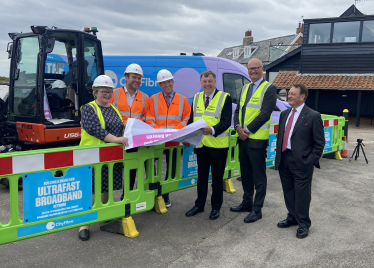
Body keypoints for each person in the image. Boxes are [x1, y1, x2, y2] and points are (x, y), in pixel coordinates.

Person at [78, 75, 129, 241]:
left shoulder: (113, 108)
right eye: (103, 91)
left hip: (110, 157)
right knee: (91, 191)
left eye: (109, 91)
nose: (107, 94)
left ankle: (104, 213)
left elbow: (120, 127)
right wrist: (115, 139)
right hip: (91, 157)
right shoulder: (88, 109)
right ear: (95, 92)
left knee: (106, 187)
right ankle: (84, 225)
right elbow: (94, 129)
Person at [274, 84, 325, 239]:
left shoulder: (312, 115)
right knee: (288, 191)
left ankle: (303, 223)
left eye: (293, 94)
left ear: (303, 96)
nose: (289, 96)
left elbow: (319, 143)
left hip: (302, 162)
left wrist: (310, 160)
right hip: (284, 159)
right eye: (289, 93)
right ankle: (292, 217)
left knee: (302, 194)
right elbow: (281, 137)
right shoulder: (284, 113)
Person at [230, 58, 277, 223]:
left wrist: (247, 130)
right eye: (250, 69)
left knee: (259, 177)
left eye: (256, 68)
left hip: (256, 140)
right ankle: (247, 203)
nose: (253, 71)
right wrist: (237, 128)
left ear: (262, 69)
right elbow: (237, 112)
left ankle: (257, 210)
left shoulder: (269, 89)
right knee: (246, 175)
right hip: (243, 139)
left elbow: (264, 114)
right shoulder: (244, 88)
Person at [184, 70, 232, 220]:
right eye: (204, 82)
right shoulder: (197, 97)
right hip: (201, 146)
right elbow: (192, 121)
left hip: (218, 146)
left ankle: (216, 207)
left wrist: (212, 130)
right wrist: (185, 135)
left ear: (215, 82)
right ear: (201, 83)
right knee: (201, 178)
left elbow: (226, 121)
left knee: (217, 180)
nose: (207, 84)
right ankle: (199, 205)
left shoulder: (225, 97)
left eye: (210, 81)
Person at [145, 69, 191, 207]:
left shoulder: (182, 99)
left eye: (169, 81)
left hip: (174, 141)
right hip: (158, 140)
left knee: (171, 170)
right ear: (160, 85)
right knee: (154, 169)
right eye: (163, 83)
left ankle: (165, 195)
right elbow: (149, 119)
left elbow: (186, 118)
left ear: (173, 82)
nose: (167, 85)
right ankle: (155, 193)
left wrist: (174, 132)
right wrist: (160, 133)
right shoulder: (154, 99)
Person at [110, 63, 149, 192]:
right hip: (117, 139)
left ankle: (128, 196)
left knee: (132, 169)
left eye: (139, 78)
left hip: (135, 140)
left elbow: (147, 119)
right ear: (126, 77)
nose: (137, 80)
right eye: (134, 77)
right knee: (114, 170)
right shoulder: (114, 94)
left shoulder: (145, 97)